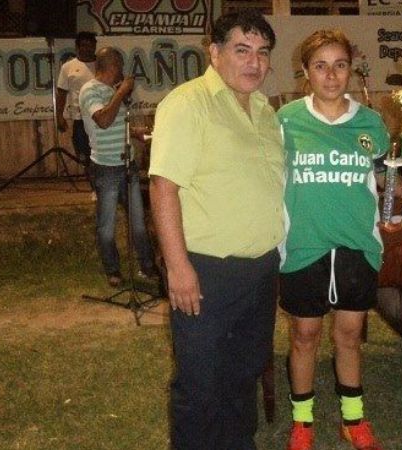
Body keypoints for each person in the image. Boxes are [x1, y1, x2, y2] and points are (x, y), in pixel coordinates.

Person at [278, 29, 402, 450]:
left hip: (357, 246)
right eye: (321, 66)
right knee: (304, 336)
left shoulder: (370, 123)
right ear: (305, 71)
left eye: (339, 65)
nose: (331, 75)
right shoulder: (285, 120)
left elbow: (383, 178)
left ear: (351, 70)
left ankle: (353, 418)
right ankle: (302, 423)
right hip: (303, 246)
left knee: (349, 335)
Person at [148, 10, 283, 450]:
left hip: (260, 271)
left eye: (262, 52)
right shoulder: (188, 103)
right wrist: (178, 267)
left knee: (243, 375)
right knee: (201, 384)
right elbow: (163, 186)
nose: (254, 62)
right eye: (242, 50)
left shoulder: (265, 110)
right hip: (206, 273)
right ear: (215, 52)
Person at [78, 47, 158, 287]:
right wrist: (122, 92)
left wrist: (134, 132)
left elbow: (114, 124)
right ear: (113, 66)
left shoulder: (113, 91)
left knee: (139, 224)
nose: (122, 72)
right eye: (120, 66)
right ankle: (113, 270)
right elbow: (103, 121)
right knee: (107, 227)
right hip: (106, 169)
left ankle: (147, 267)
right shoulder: (90, 90)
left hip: (127, 165)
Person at [56, 32, 97, 190]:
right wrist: (59, 116)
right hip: (80, 119)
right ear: (77, 47)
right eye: (84, 45)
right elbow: (61, 93)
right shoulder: (68, 67)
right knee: (85, 156)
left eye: (91, 45)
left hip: (101, 117)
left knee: (100, 155)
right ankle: (94, 188)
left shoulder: (101, 64)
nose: (88, 49)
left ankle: (100, 188)